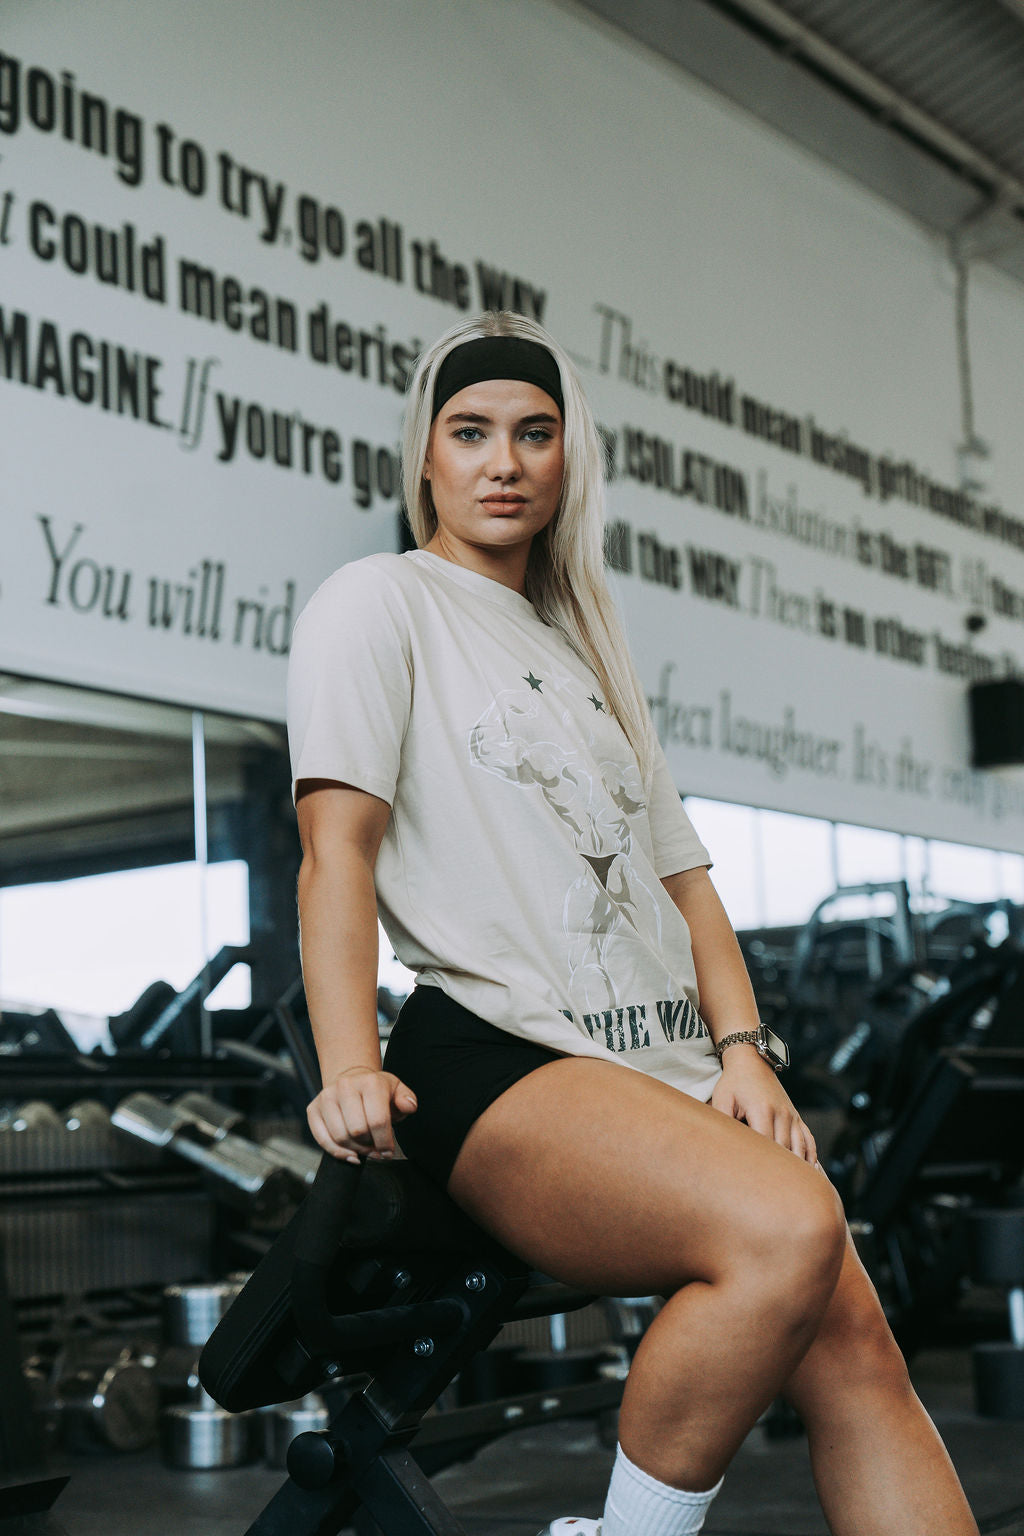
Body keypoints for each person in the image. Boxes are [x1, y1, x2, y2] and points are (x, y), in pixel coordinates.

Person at [286, 309, 979, 1536]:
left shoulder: (588, 650)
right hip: (499, 1056)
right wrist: (347, 1067)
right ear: (427, 457)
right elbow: (336, 850)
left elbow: (687, 887)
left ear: (568, 460)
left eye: (534, 433)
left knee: (862, 1347)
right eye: (471, 432)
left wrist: (743, 1051)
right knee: (787, 1226)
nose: (504, 461)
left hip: (657, 1069)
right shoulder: (379, 602)